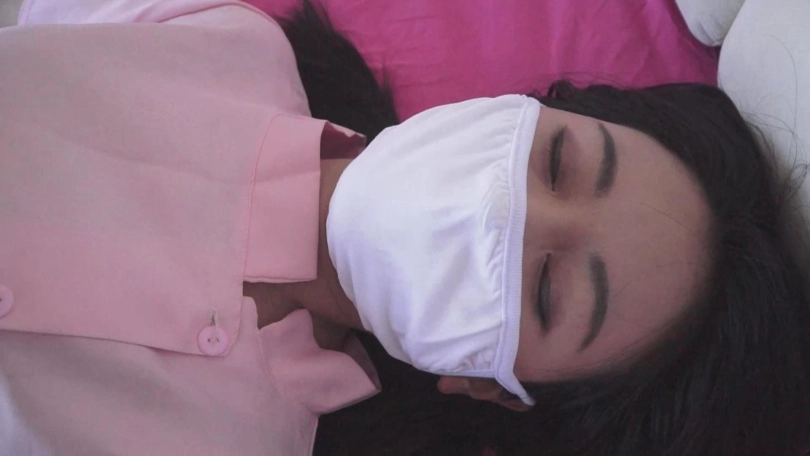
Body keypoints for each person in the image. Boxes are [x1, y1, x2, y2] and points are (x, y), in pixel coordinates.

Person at [0, 3, 807, 456]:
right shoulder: (219, 39)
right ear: (511, 111)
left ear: (493, 389)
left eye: (546, 290)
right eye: (558, 161)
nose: (505, 211)